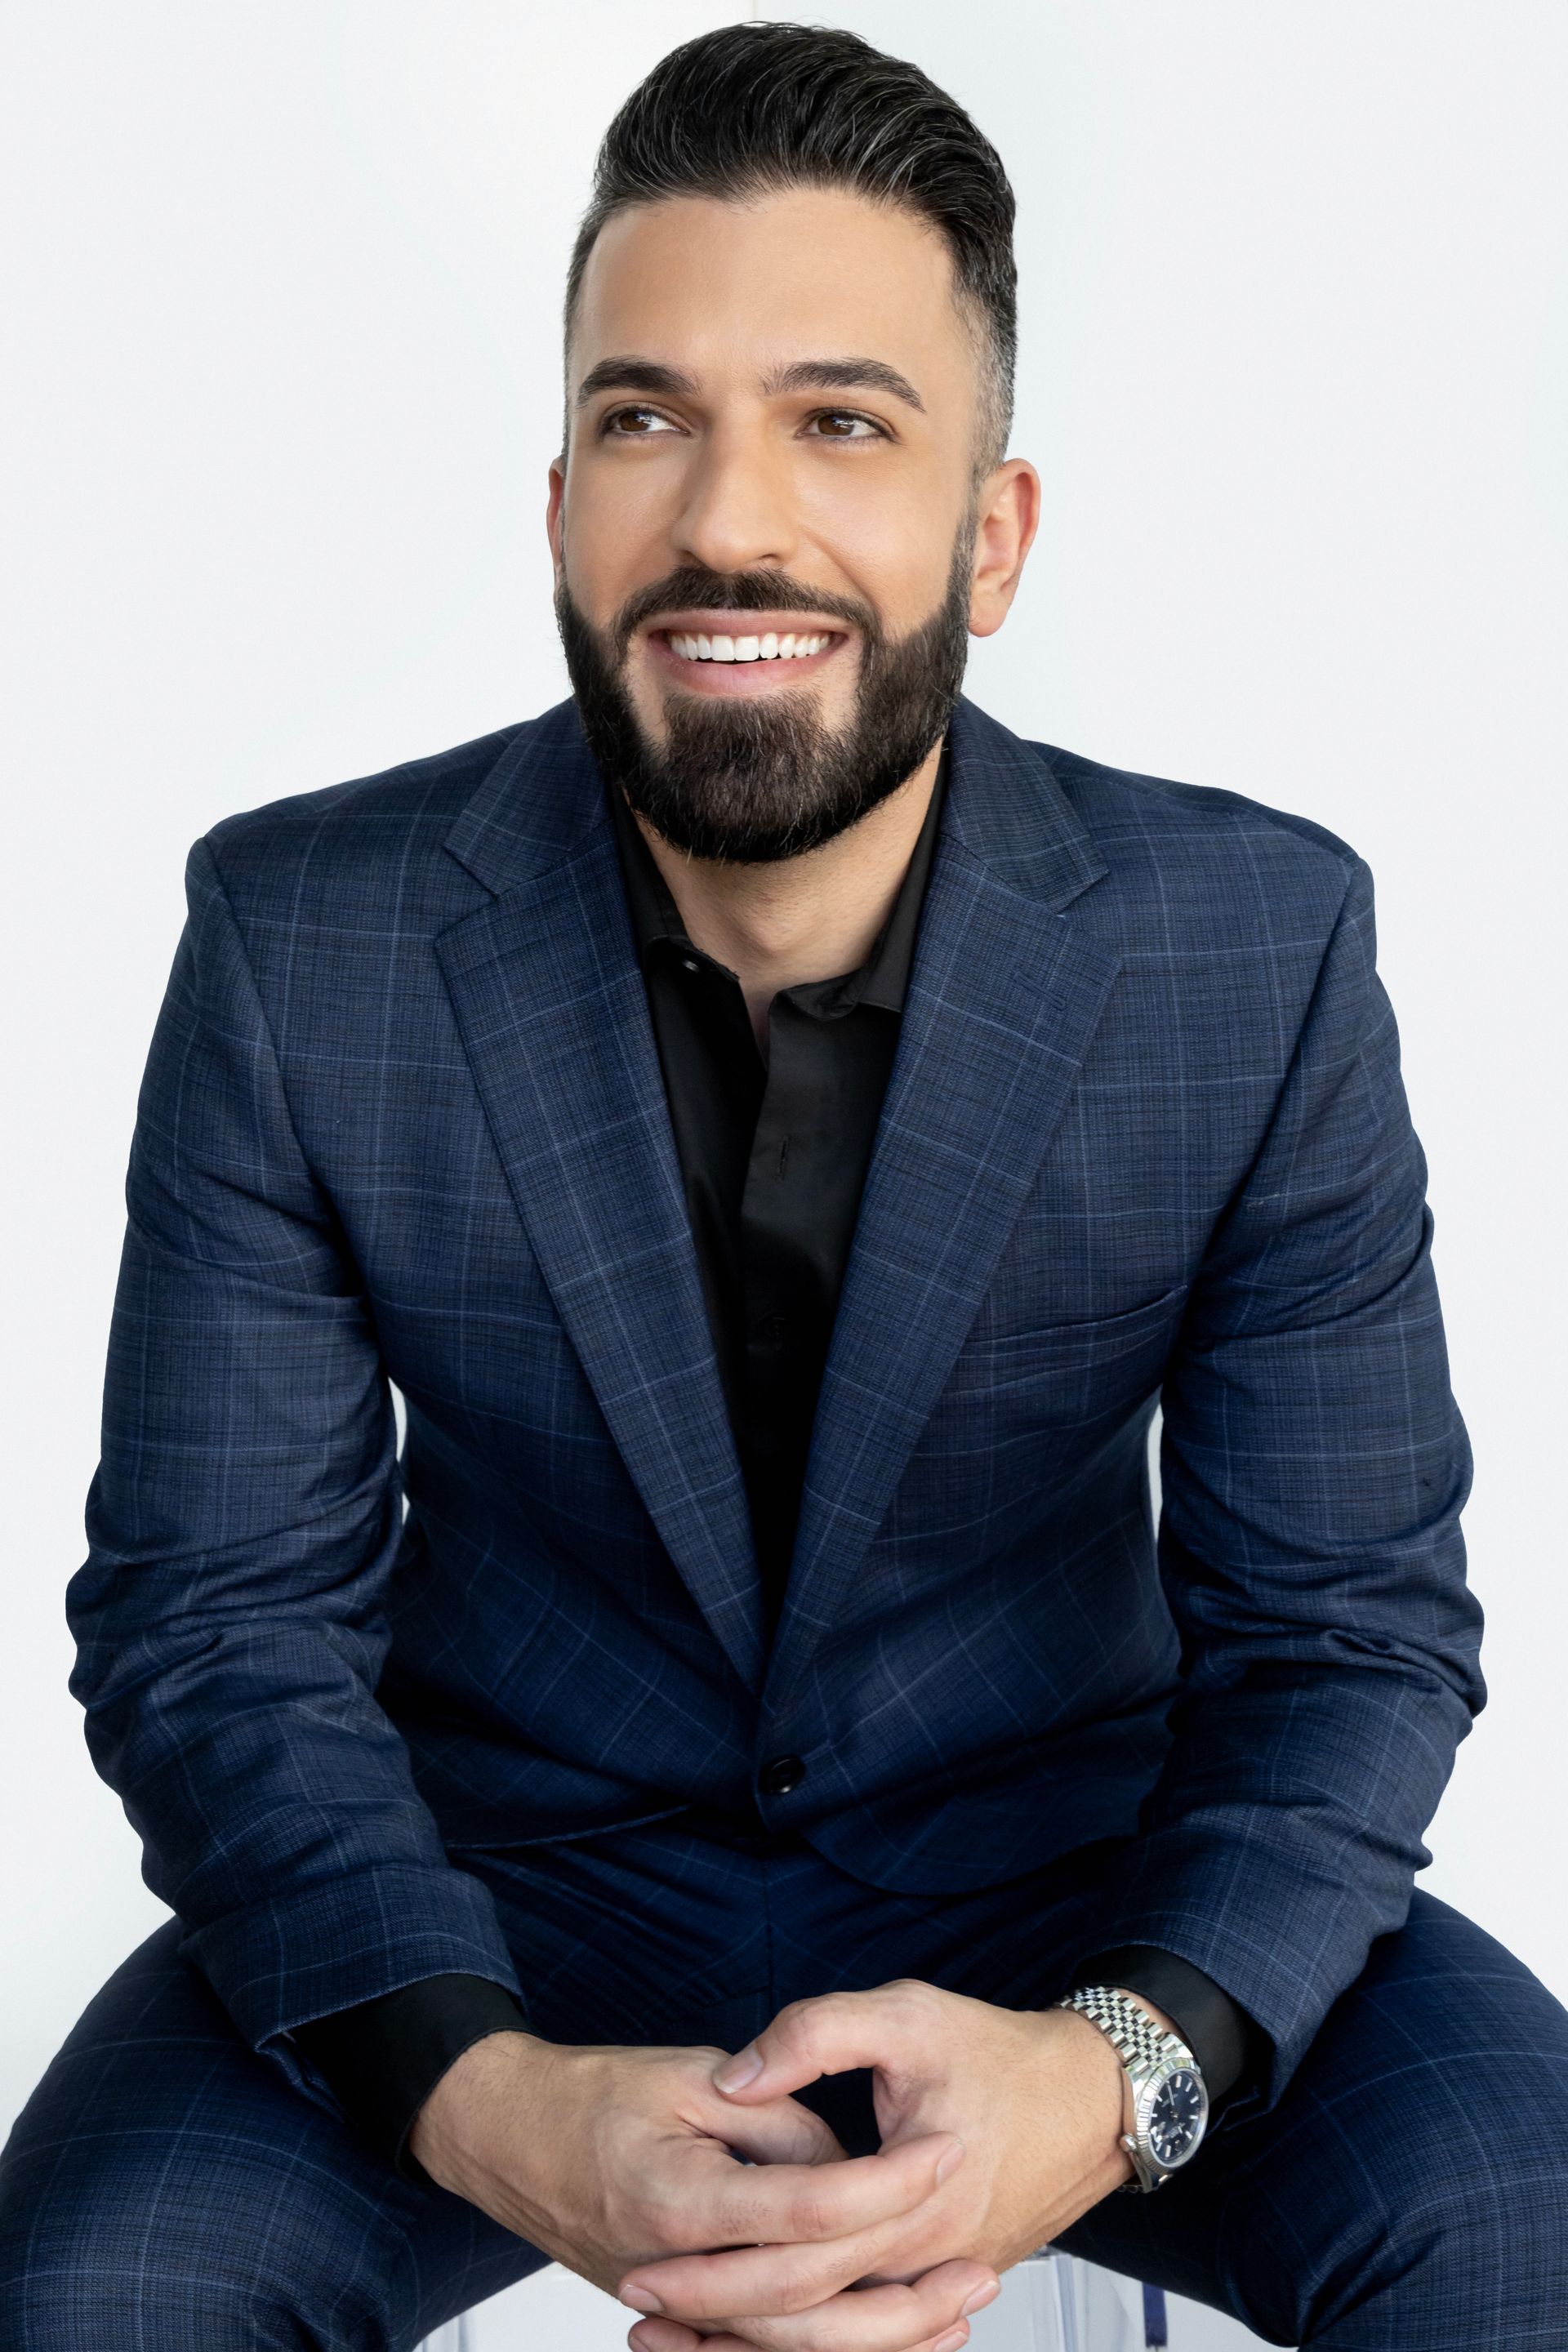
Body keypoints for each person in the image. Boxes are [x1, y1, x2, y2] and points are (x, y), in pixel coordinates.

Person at [2, 22, 1563, 2351]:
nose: (731, 520)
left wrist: (1104, 2073)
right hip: (498, 1899)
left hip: (1073, 1885)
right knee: (96, 2288)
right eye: (649, 419)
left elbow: (1346, 1637)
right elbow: (215, 1625)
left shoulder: (1252, 951)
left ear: (992, 535)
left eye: (843, 421)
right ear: (559, 509)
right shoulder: (302, 944)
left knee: (1525, 2225)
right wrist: (499, 2100)